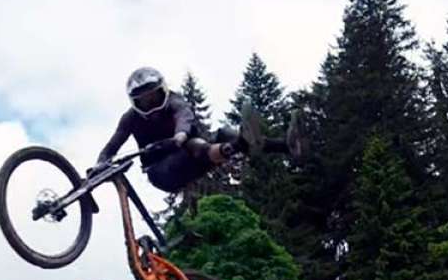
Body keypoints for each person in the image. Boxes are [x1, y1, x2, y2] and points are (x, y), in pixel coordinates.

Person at [96, 66, 305, 194]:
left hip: (192, 151)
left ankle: (285, 146)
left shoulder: (175, 101)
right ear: (134, 103)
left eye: (154, 97)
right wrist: (100, 165)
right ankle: (239, 144)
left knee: (225, 134)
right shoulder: (130, 119)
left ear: (164, 92)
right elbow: (111, 147)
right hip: (161, 172)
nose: (151, 106)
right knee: (194, 146)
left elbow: (183, 116)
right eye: (144, 102)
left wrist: (179, 135)